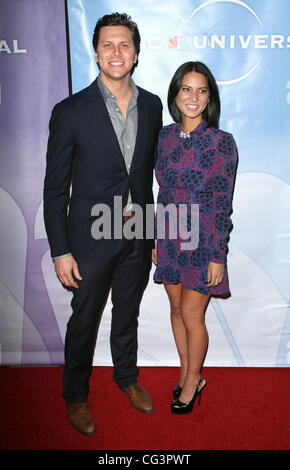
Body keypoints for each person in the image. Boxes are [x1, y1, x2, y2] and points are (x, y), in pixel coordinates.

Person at [43, 12, 162, 435]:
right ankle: (75, 395)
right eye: (108, 44)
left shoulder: (152, 104)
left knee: (127, 311)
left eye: (124, 44)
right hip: (91, 236)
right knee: (85, 318)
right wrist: (60, 250)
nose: (116, 52)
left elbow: (146, 175)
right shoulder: (70, 111)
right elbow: (55, 187)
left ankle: (126, 378)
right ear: (95, 53)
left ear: (136, 53)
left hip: (135, 230)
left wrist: (152, 233)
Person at [152, 61, 238, 414]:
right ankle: (188, 372)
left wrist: (218, 255)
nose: (193, 97)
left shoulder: (221, 143)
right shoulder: (164, 136)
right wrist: (155, 239)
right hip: (169, 237)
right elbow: (162, 193)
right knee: (175, 308)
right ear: (176, 93)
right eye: (186, 88)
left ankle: (192, 382)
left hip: (203, 243)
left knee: (192, 315)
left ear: (210, 98)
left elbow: (222, 204)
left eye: (202, 90)